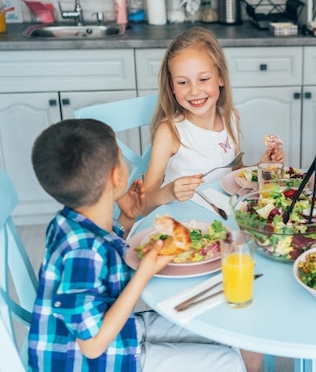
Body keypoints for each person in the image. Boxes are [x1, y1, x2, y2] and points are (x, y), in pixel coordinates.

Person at [28, 118, 254, 372]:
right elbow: (92, 345)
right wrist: (144, 274)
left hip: (118, 332)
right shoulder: (82, 252)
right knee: (229, 361)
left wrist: (127, 218)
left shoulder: (71, 222)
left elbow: (105, 258)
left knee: (218, 328)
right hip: (93, 361)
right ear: (117, 176)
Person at [142, 27, 284, 215]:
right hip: (181, 224)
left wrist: (262, 168)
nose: (194, 91)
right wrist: (169, 192)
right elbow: (144, 204)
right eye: (183, 82)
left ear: (221, 78)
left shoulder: (231, 118)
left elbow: (234, 174)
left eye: (203, 79)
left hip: (222, 218)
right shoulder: (169, 132)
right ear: (172, 86)